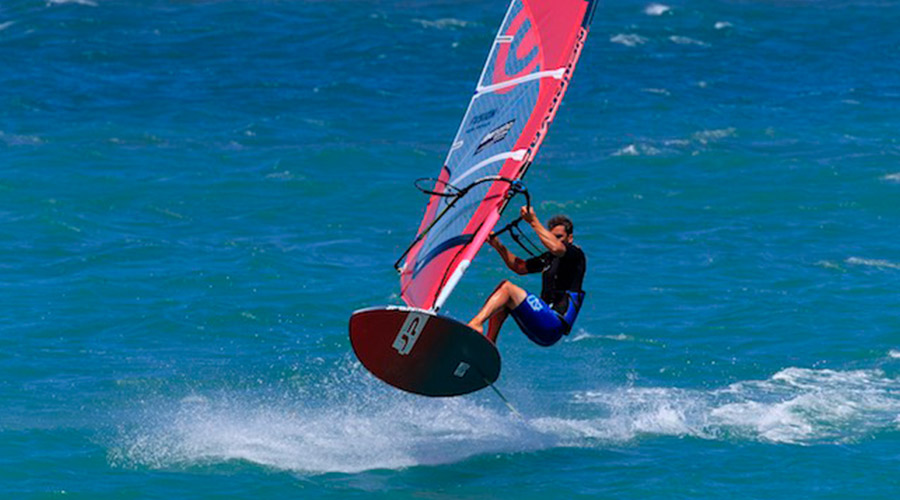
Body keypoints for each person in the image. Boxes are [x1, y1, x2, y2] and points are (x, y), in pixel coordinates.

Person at [467, 206, 586, 346]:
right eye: (552, 236)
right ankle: (489, 342)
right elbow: (519, 267)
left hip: (554, 324)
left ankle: (476, 323)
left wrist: (533, 221)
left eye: (559, 237)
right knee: (503, 295)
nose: (556, 240)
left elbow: (556, 248)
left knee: (507, 288)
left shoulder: (575, 254)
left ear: (570, 238)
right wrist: (498, 246)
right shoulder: (549, 258)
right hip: (543, 324)